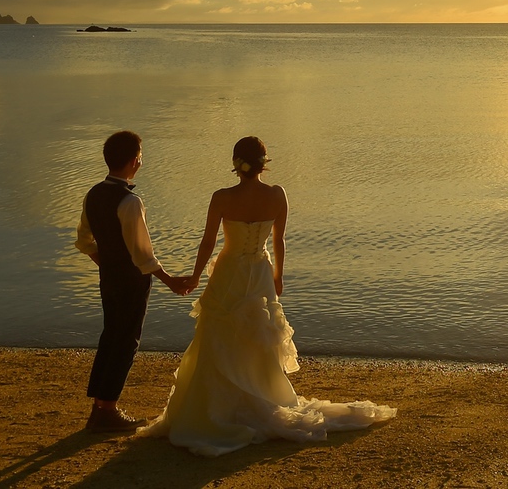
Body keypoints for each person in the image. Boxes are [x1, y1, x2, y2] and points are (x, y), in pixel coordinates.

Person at [139, 137, 395, 456]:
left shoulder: (222, 197)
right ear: (264, 162)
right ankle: (262, 394)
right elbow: (279, 240)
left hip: (229, 271)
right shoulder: (277, 194)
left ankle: (218, 407)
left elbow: (207, 242)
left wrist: (193, 276)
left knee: (219, 335)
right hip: (260, 271)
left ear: (236, 163)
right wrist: (278, 277)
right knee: (259, 337)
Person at [75, 130, 194, 432]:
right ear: (134, 161)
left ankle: (99, 407)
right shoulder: (130, 202)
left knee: (110, 335)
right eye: (140, 154)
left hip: (108, 278)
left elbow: (85, 241)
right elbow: (143, 256)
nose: (141, 159)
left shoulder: (94, 194)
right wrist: (171, 281)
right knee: (126, 340)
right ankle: (108, 409)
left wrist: (107, 263)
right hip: (131, 281)